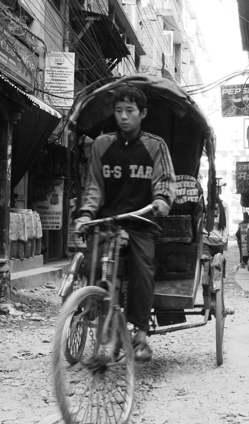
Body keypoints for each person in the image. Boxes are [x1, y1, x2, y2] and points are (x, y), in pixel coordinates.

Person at [75, 85, 176, 362]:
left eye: (130, 111)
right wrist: (86, 214)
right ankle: (97, 310)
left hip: (141, 221)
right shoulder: (101, 144)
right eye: (118, 111)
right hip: (107, 220)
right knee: (91, 263)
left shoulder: (155, 145)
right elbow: (94, 186)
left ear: (142, 113)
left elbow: (164, 180)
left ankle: (141, 334)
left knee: (143, 270)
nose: (123, 116)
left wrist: (162, 199)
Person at [203, 183, 229, 256]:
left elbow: (226, 224)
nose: (216, 191)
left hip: (218, 242)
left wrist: (224, 240)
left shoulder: (224, 205)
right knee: (205, 261)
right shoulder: (205, 204)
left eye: (218, 189)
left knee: (218, 262)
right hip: (205, 241)